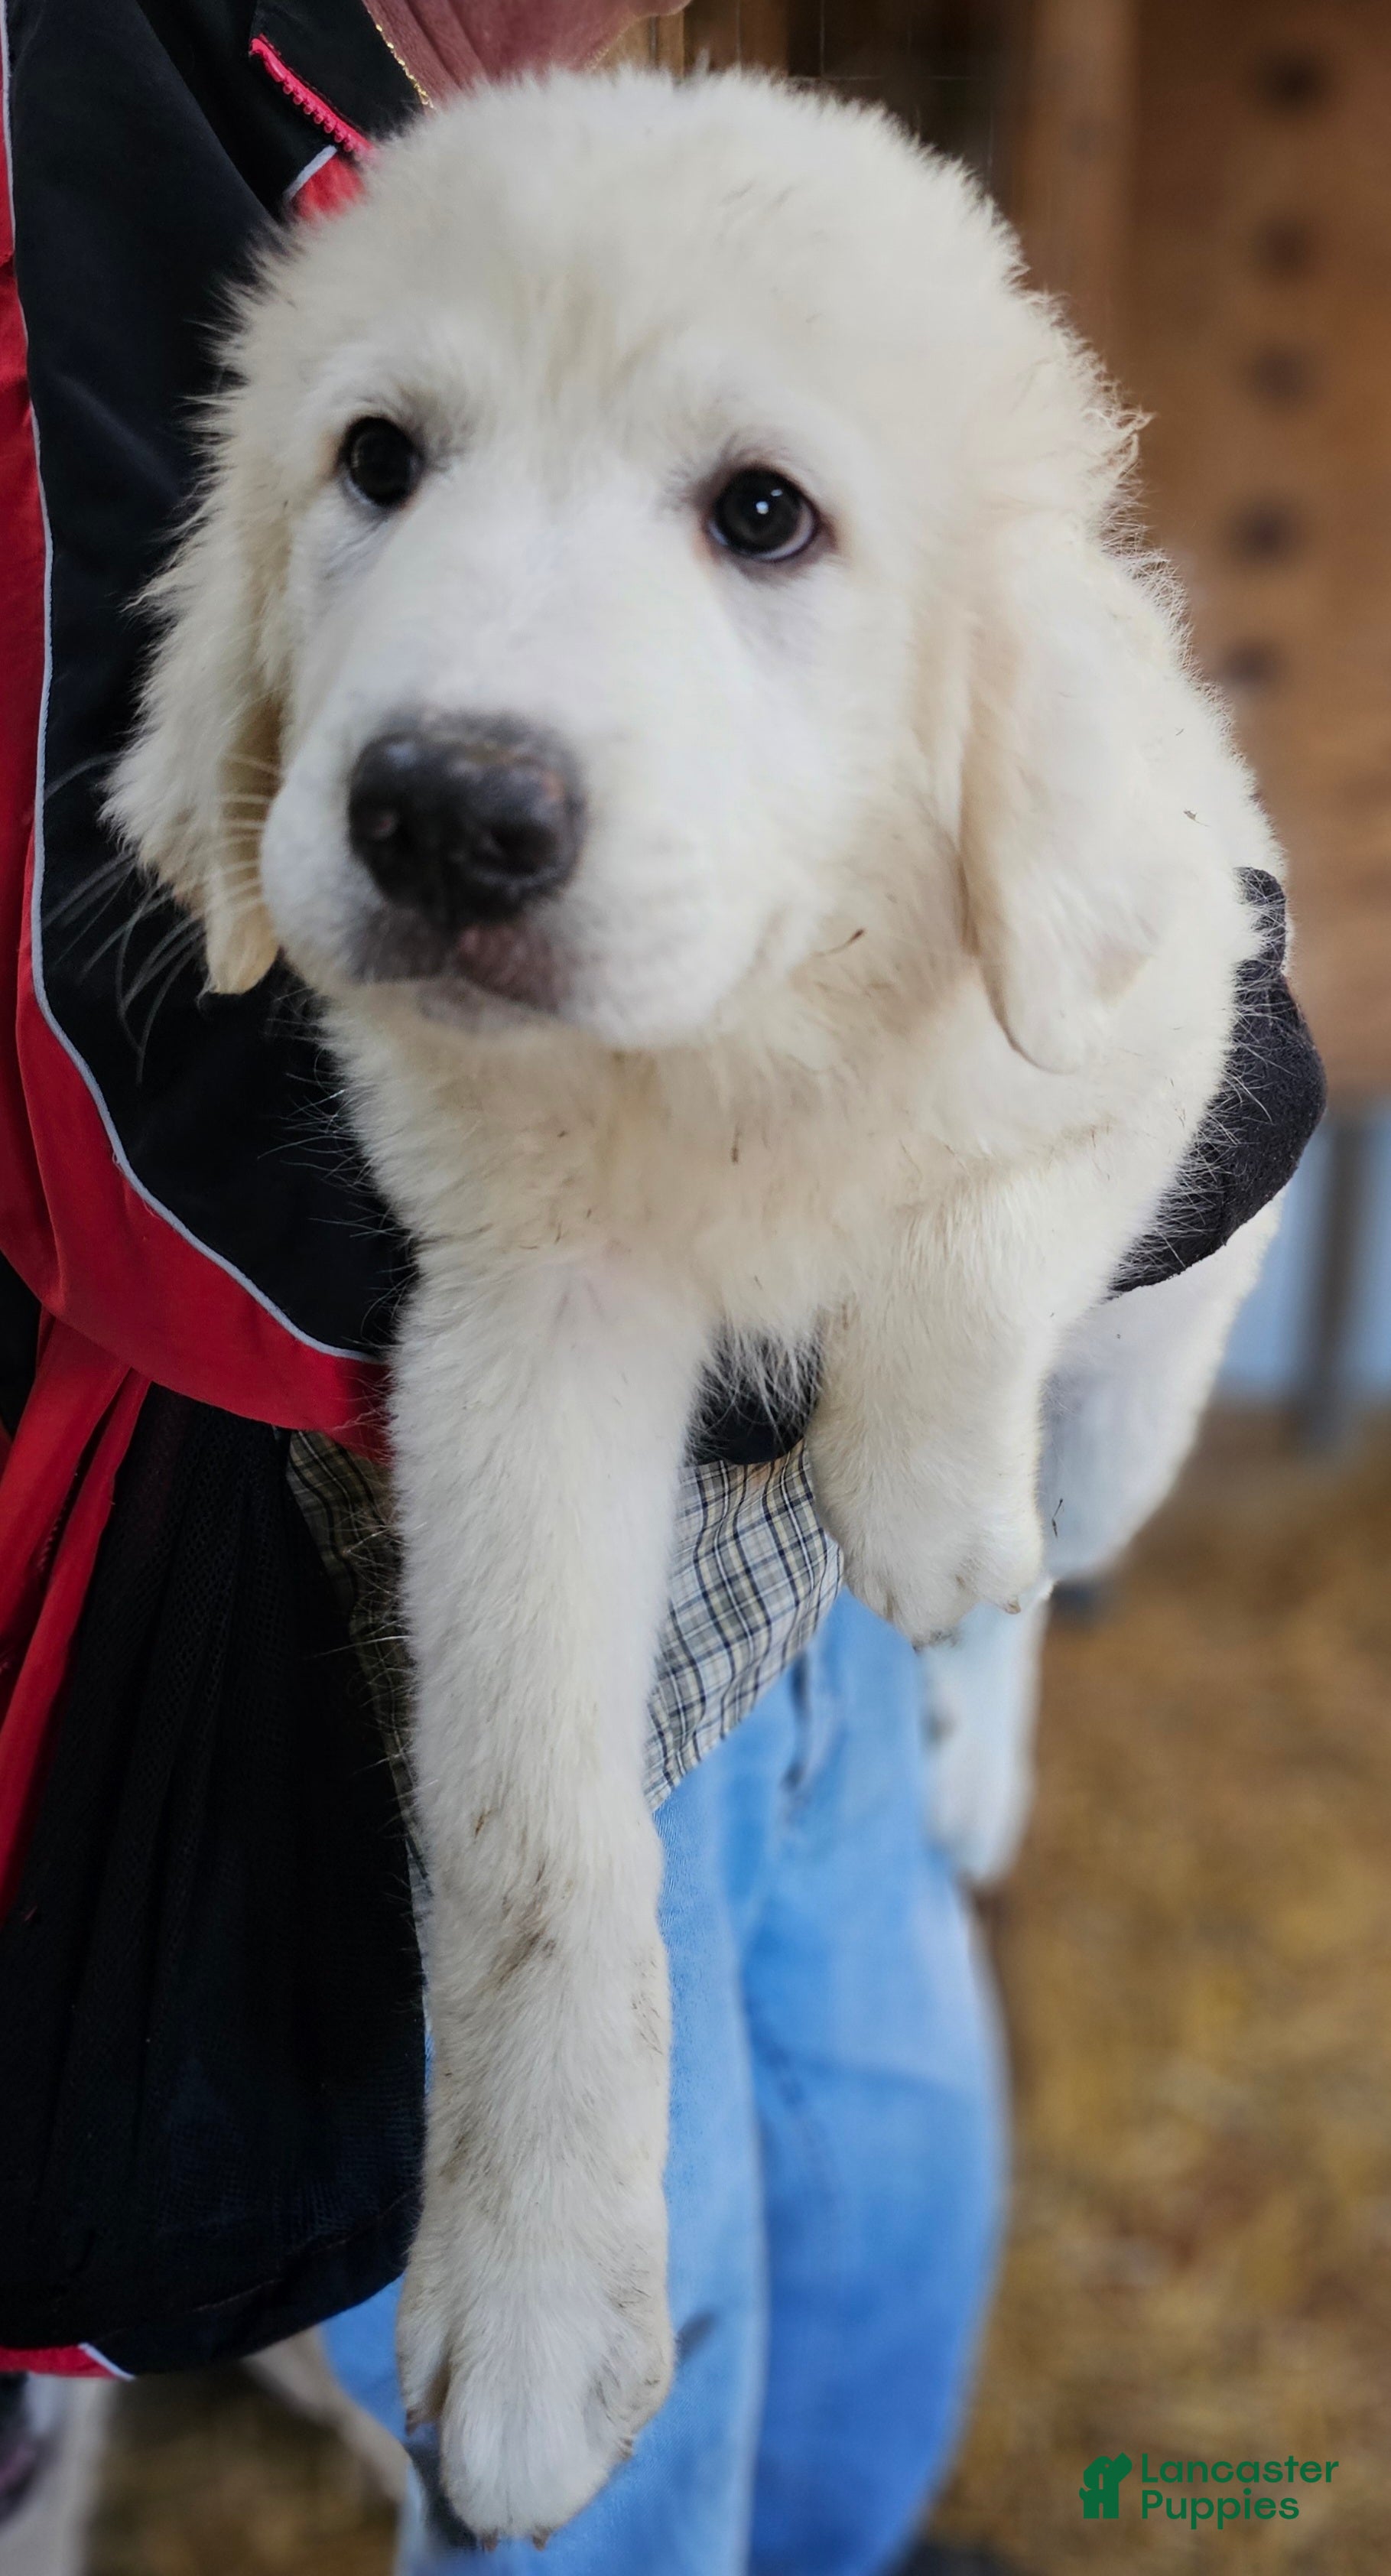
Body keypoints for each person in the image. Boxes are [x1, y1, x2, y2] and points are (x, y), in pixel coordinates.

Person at [0, 6, 1006, 2574]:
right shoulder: (79, 102)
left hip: (789, 1430)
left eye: (754, 510)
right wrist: (925, 1168)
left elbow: (1068, 766)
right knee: (602, 2193)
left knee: (837, 1985)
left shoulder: (630, 137)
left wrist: (1127, 1070)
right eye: (386, 460)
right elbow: (152, 1063)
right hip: (442, 1496)